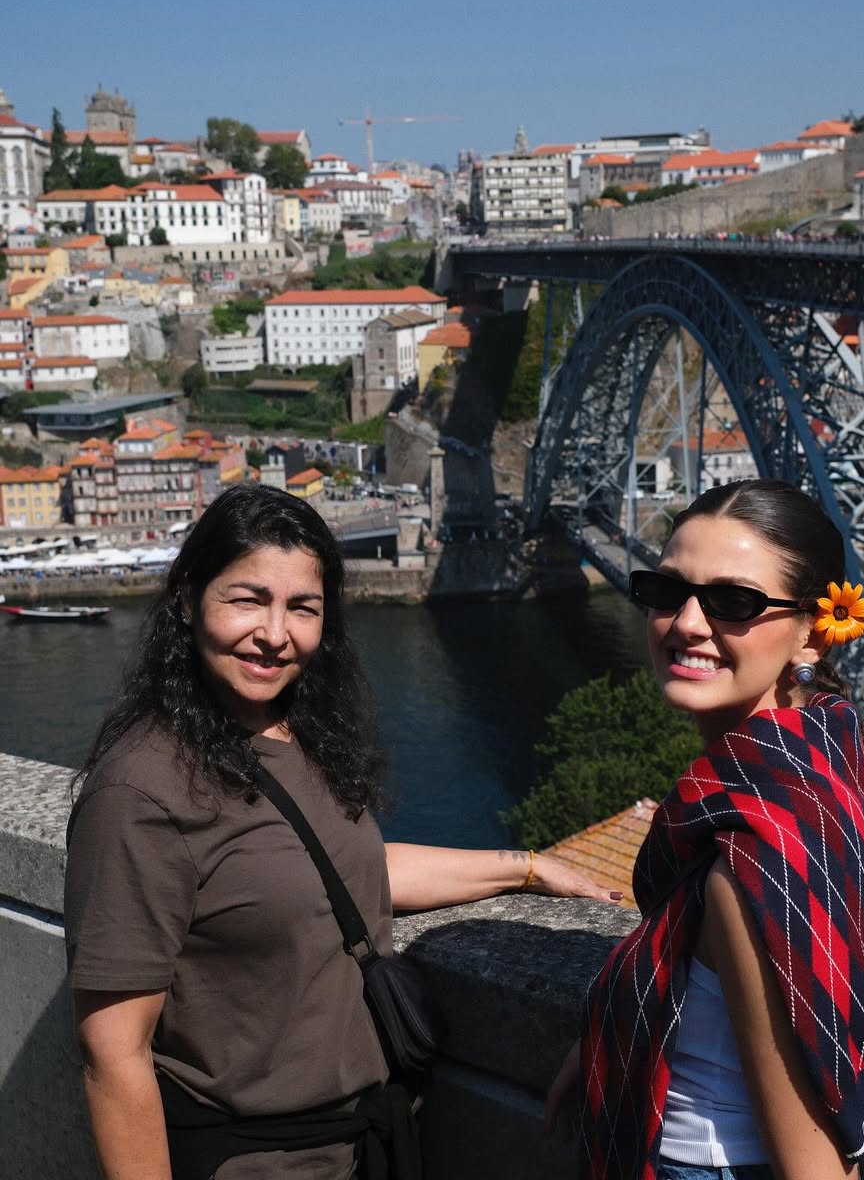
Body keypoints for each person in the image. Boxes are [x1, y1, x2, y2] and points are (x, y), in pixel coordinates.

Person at [65, 483, 618, 1180]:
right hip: (256, 1165)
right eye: (248, 600)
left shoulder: (293, 734)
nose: (275, 634)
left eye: (303, 607)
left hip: (361, 1144)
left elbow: (345, 871)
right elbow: (114, 1057)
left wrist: (527, 867)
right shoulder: (140, 791)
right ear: (186, 599)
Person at [546, 479, 864, 1180]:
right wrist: (616, 1029)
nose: (688, 623)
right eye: (667, 591)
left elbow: (817, 1170)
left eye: (734, 602)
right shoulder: (818, 757)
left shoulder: (749, 861)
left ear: (813, 632)